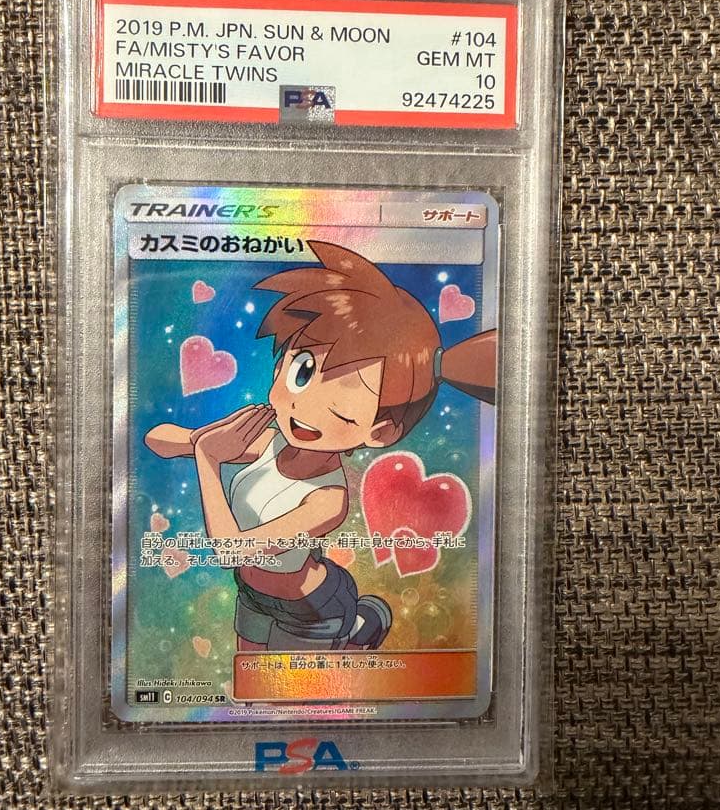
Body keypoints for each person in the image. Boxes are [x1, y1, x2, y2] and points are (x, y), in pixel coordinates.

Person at [145, 240, 496, 652]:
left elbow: (232, 550)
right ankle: (361, 622)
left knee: (297, 683)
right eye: (302, 371)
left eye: (343, 400)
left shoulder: (329, 499)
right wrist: (202, 439)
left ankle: (359, 626)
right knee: (248, 682)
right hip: (252, 595)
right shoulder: (267, 441)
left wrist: (207, 458)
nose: (303, 405)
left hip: (311, 609)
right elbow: (158, 439)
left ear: (379, 432)